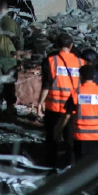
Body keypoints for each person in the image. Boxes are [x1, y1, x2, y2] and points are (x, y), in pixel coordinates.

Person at [37, 34, 82, 168]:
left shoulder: (50, 61)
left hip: (54, 106)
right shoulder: (80, 62)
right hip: (72, 106)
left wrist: (40, 103)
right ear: (71, 46)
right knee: (70, 139)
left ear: (57, 45)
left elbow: (46, 84)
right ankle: (70, 166)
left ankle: (50, 165)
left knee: (51, 138)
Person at [68, 64, 98, 159]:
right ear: (94, 77)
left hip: (81, 137)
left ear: (80, 76)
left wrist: (58, 132)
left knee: (82, 167)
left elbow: (67, 116)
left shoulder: (76, 93)